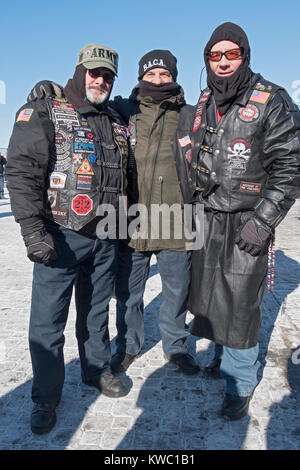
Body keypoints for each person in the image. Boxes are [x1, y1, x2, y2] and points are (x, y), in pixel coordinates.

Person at [173, 23, 300, 420]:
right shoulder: (206, 99)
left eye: (232, 54)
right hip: (209, 216)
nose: (223, 62)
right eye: (215, 55)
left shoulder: (271, 100)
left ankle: (240, 382)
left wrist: (263, 220)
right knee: (209, 294)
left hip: (248, 217)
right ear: (207, 59)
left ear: (244, 56)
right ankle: (221, 358)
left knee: (242, 302)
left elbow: (290, 165)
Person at [6, 43, 130, 435]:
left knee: (96, 314)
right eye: (94, 72)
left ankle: (96, 371)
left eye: (108, 75)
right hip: (59, 234)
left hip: (106, 235)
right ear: (79, 72)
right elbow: (22, 170)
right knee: (48, 324)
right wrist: (32, 230)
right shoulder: (47, 108)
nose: (101, 80)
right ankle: (45, 398)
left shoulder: (116, 117)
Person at [110, 50, 200, 375]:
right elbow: (85, 102)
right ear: (141, 78)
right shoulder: (123, 110)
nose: (158, 80)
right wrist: (51, 89)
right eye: (152, 75)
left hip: (176, 221)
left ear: (174, 78)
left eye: (165, 75)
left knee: (176, 292)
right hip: (132, 222)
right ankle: (128, 345)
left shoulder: (190, 115)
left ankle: (176, 347)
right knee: (128, 293)